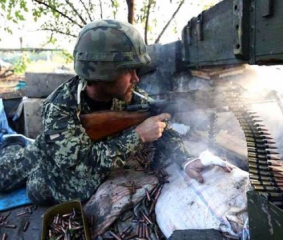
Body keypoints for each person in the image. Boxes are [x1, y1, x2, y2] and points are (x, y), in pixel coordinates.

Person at [0, 19, 231, 205]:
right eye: (128, 72)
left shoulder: (129, 96)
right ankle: (13, 145)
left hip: (65, 147)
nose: (136, 78)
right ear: (103, 75)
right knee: (24, 183)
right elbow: (83, 164)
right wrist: (138, 135)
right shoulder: (59, 108)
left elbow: (160, 123)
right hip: (46, 152)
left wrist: (186, 159)